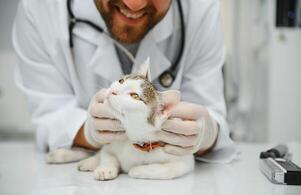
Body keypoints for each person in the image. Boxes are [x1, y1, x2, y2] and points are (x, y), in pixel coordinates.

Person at [13, 0, 236, 163]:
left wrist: (206, 134)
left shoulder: (201, 10)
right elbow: (50, 116)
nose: (134, 4)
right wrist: (89, 130)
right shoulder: (40, 8)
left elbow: (212, 116)